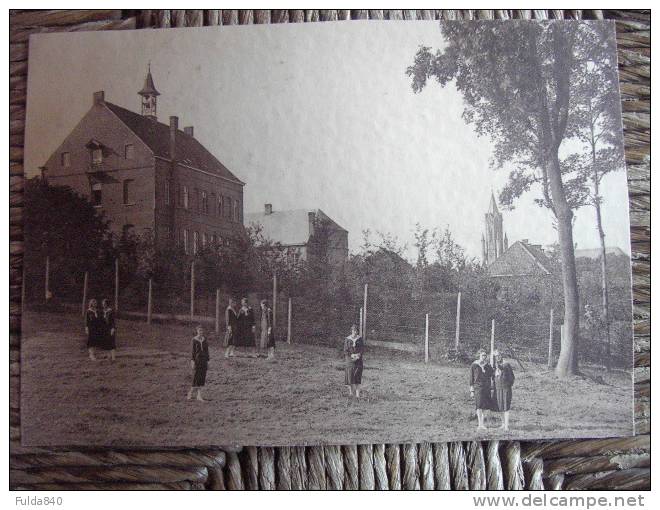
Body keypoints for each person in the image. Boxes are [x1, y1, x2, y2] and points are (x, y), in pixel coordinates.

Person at [470, 348, 494, 430]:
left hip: (486, 388)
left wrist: (489, 366)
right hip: (478, 388)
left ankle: (482, 424)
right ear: (479, 355)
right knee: (479, 406)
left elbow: (492, 374)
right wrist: (472, 390)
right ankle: (480, 424)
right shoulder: (474, 365)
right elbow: (471, 378)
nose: (484, 357)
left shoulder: (487, 365)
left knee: (485, 406)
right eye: (483, 355)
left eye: (485, 355)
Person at [493, 350, 515, 431]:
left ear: (501, 355)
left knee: (506, 407)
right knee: (500, 407)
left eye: (499, 355)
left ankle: (506, 426)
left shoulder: (506, 364)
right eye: (496, 356)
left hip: (505, 388)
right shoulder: (495, 365)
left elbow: (512, 377)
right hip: (498, 388)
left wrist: (508, 385)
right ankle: (503, 424)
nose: (497, 357)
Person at [188, 324, 210, 401]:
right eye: (199, 330)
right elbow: (192, 352)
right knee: (196, 378)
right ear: (197, 331)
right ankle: (190, 393)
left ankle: (199, 395)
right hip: (197, 361)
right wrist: (192, 361)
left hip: (203, 361)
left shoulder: (204, 340)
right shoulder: (194, 340)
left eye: (202, 330)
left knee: (202, 378)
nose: (201, 332)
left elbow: (207, 351)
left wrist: (207, 361)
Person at [343, 324, 364, 398]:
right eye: (353, 330)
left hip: (358, 360)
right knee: (350, 376)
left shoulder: (360, 339)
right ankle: (351, 393)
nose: (355, 332)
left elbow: (362, 349)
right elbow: (345, 351)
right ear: (351, 331)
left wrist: (358, 355)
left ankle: (358, 395)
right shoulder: (347, 339)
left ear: (358, 331)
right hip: (349, 360)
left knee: (357, 377)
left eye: (356, 331)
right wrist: (351, 355)